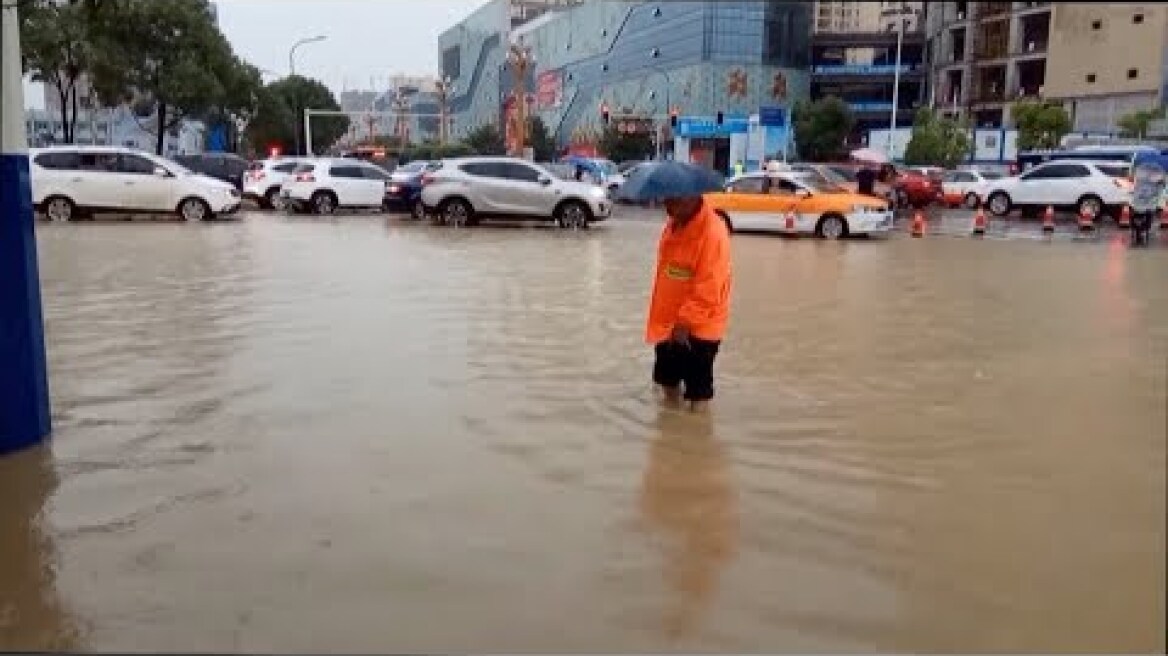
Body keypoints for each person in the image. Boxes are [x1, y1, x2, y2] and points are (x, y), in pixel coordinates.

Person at [646, 195, 733, 412]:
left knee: (698, 392)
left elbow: (710, 287)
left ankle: (696, 438)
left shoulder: (713, 232)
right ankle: (670, 435)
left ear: (692, 200)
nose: (666, 206)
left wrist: (685, 322)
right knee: (667, 382)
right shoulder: (673, 224)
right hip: (668, 321)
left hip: (699, 326)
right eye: (665, 200)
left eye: (672, 201)